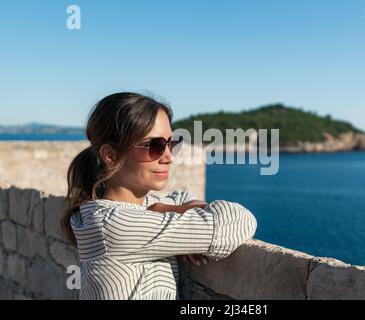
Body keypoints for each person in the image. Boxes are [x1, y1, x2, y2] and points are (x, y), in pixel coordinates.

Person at [62, 92, 257, 299]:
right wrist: (180, 219)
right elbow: (238, 223)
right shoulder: (113, 224)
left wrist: (168, 211)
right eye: (154, 146)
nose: (168, 157)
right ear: (110, 155)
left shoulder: (137, 207)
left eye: (171, 143)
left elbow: (180, 197)